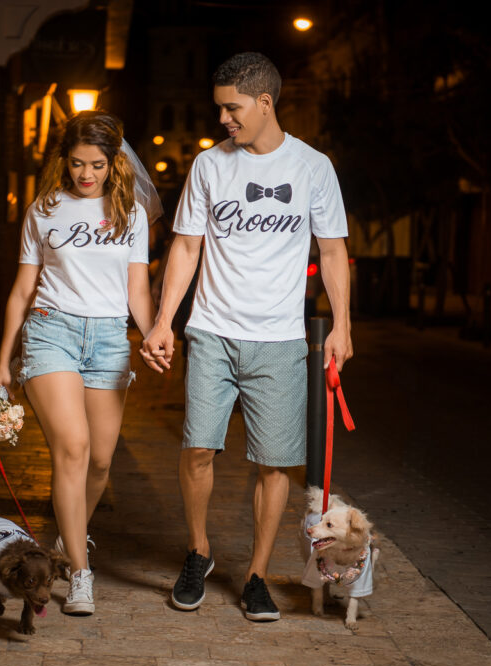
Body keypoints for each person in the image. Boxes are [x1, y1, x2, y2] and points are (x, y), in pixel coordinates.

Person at [140, 52, 353, 621]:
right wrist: (165, 321)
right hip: (211, 329)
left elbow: (332, 251)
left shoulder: (313, 168)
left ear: (265, 102)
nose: (224, 119)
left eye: (232, 108)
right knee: (198, 447)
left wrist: (342, 326)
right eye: (220, 109)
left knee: (274, 463)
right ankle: (198, 552)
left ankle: (256, 574)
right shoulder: (211, 166)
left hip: (281, 340)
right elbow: (185, 246)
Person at [0, 110, 155, 616]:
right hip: (50, 331)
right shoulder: (44, 209)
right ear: (64, 161)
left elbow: (138, 289)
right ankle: (79, 574)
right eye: (79, 164)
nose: (87, 175)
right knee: (74, 446)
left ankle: (70, 534)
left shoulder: (131, 214)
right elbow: (21, 291)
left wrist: (152, 335)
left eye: (98, 165)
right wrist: (2, 363)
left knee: (101, 460)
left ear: (115, 164)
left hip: (108, 338)